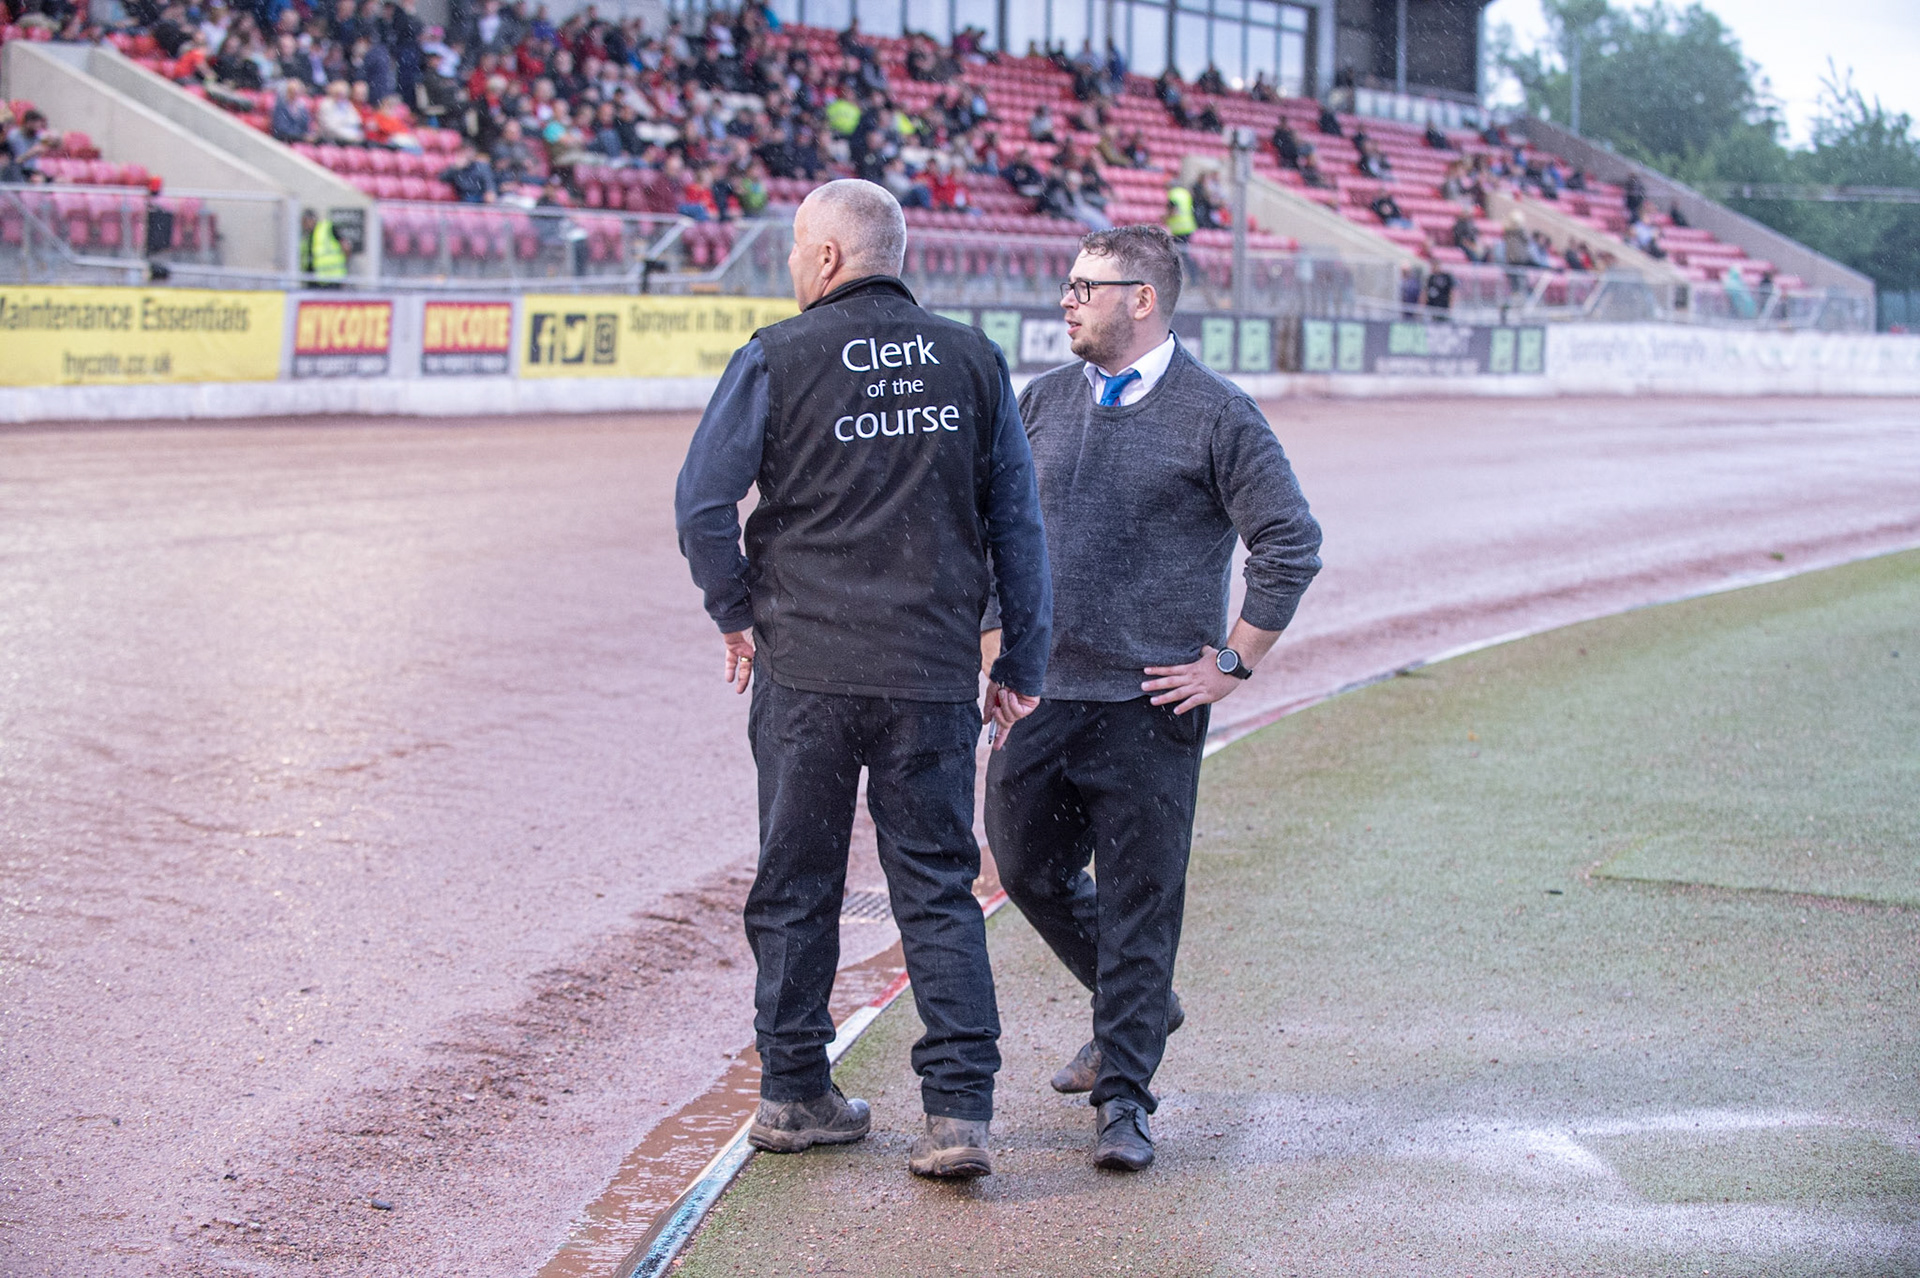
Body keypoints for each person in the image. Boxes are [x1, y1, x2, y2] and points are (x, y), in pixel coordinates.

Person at [674, 179, 1053, 1183]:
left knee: (795, 883)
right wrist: (1020, 661)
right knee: (936, 888)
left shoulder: (776, 353)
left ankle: (795, 1094)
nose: (791, 264)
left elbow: (702, 504)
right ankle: (959, 1115)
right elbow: (1018, 522)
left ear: (831, 258)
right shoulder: (973, 358)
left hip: (805, 669)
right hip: (928, 674)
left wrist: (735, 610)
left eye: (798, 248)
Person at [984, 224, 1320, 1172]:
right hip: (1041, 696)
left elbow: (1290, 541)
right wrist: (994, 651)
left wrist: (1234, 662)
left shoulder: (1219, 415)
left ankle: (1126, 1100)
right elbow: (989, 531)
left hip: (1153, 707)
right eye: (1068, 283)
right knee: (1023, 870)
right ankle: (1139, 1005)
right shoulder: (1039, 402)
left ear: (1143, 298)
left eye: (1086, 286)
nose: (1066, 299)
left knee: (1141, 903)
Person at [299, 208, 348, 286]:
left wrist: (343, 263)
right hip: (312, 280)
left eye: (305, 221)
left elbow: (345, 246)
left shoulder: (327, 228)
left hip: (331, 279)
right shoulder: (306, 236)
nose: (304, 224)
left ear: (312, 219)